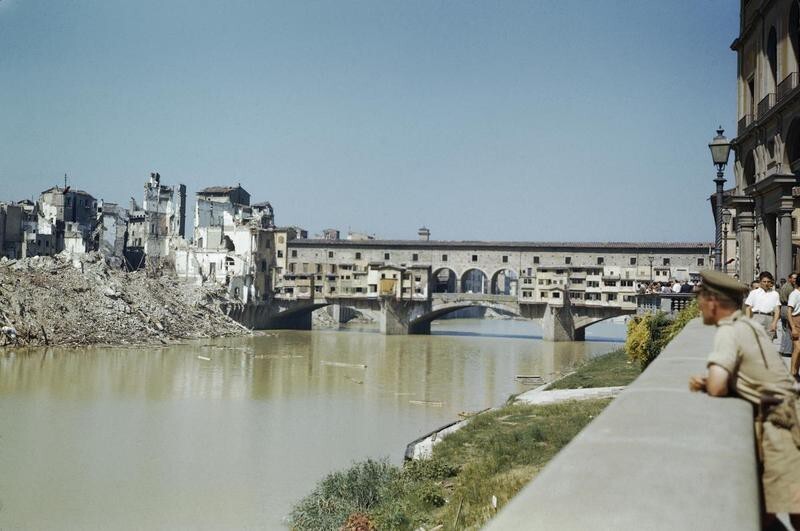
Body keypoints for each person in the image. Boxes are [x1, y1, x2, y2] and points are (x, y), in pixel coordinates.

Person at [688, 270, 800, 526]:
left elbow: (717, 387)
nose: (699, 306)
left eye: (701, 300)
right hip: (791, 410)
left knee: (788, 510)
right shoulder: (750, 326)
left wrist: (706, 383)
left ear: (713, 302)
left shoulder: (728, 332)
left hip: (780, 424)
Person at [745, 272, 781, 340]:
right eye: (764, 281)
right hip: (757, 317)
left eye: (768, 282)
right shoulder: (753, 293)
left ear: (771, 282)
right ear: (760, 281)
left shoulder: (775, 294)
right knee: (757, 341)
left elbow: (777, 310)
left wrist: (774, 322)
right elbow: (748, 308)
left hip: (769, 318)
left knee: (769, 342)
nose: (766, 283)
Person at [779, 273, 798, 357]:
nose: (795, 280)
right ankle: (788, 351)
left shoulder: (784, 286)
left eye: (796, 278)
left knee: (784, 330)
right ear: (789, 278)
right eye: (793, 278)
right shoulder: (791, 288)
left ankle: (783, 349)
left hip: (783, 308)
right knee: (789, 330)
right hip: (787, 307)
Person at [788, 278, 800, 383]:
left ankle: (796, 372)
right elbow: (789, 311)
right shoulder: (794, 294)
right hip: (795, 320)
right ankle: (792, 373)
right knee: (797, 348)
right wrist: (793, 327)